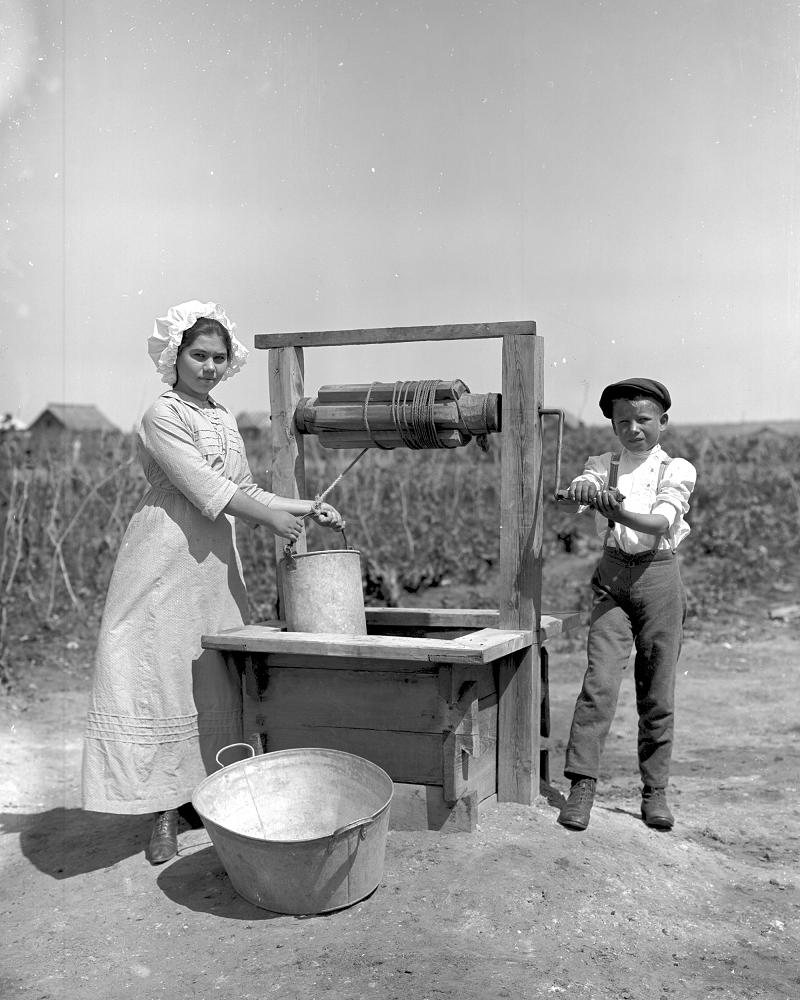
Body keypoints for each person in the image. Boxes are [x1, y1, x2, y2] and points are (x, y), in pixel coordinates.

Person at [82, 300, 343, 864]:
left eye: (218, 358)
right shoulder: (162, 415)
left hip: (215, 566)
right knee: (161, 674)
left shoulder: (223, 419)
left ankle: (206, 795)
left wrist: (305, 505)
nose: (208, 366)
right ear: (174, 356)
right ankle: (160, 812)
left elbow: (245, 487)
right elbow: (204, 487)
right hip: (164, 557)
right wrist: (268, 517)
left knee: (211, 675)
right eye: (198, 355)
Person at [557, 377, 696, 832]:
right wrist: (584, 490)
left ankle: (655, 791)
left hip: (659, 578)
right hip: (612, 579)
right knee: (599, 683)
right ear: (613, 426)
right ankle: (582, 787)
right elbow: (586, 481)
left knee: (657, 689)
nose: (633, 429)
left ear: (663, 422)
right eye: (623, 422)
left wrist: (615, 511)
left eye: (643, 420)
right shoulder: (604, 463)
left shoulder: (678, 469)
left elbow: (660, 522)